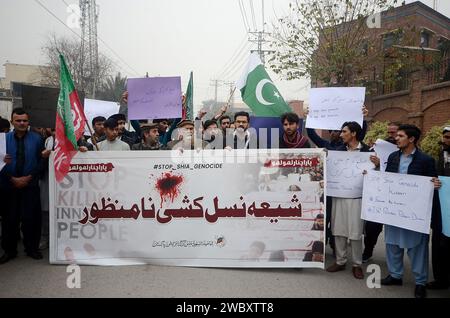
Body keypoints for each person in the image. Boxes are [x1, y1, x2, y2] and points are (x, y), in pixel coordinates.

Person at [379, 124, 440, 298]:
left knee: (417, 247)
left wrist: (435, 184)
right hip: (394, 208)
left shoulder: (426, 160)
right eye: (396, 136)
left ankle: (420, 282)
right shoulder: (392, 157)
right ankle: (395, 275)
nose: (396, 138)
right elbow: (386, 179)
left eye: (400, 136)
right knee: (392, 243)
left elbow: (433, 182)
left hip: (415, 212)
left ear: (411, 139)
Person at [326, 121, 373, 280]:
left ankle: (357, 264)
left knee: (355, 232)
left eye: (344, 131)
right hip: (338, 196)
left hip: (357, 198)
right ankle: (340, 261)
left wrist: (377, 166)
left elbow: (377, 176)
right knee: (338, 230)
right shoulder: (337, 151)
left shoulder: (368, 151)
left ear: (353, 133)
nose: (340, 134)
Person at [0, 108, 45, 263]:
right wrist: (12, 178)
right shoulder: (3, 139)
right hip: (8, 185)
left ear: (28, 122)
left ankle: (32, 248)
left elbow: (41, 162)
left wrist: (29, 177)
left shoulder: (37, 139)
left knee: (31, 219)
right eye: (18, 120)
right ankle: (9, 250)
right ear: (12, 121)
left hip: (30, 185)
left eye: (24, 120)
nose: (21, 123)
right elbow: (0, 163)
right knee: (9, 220)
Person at [427, 125, 450, 290]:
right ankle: (440, 279)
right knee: (438, 245)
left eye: (448, 137)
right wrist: (433, 181)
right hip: (441, 209)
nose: (445, 140)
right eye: (445, 137)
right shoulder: (440, 155)